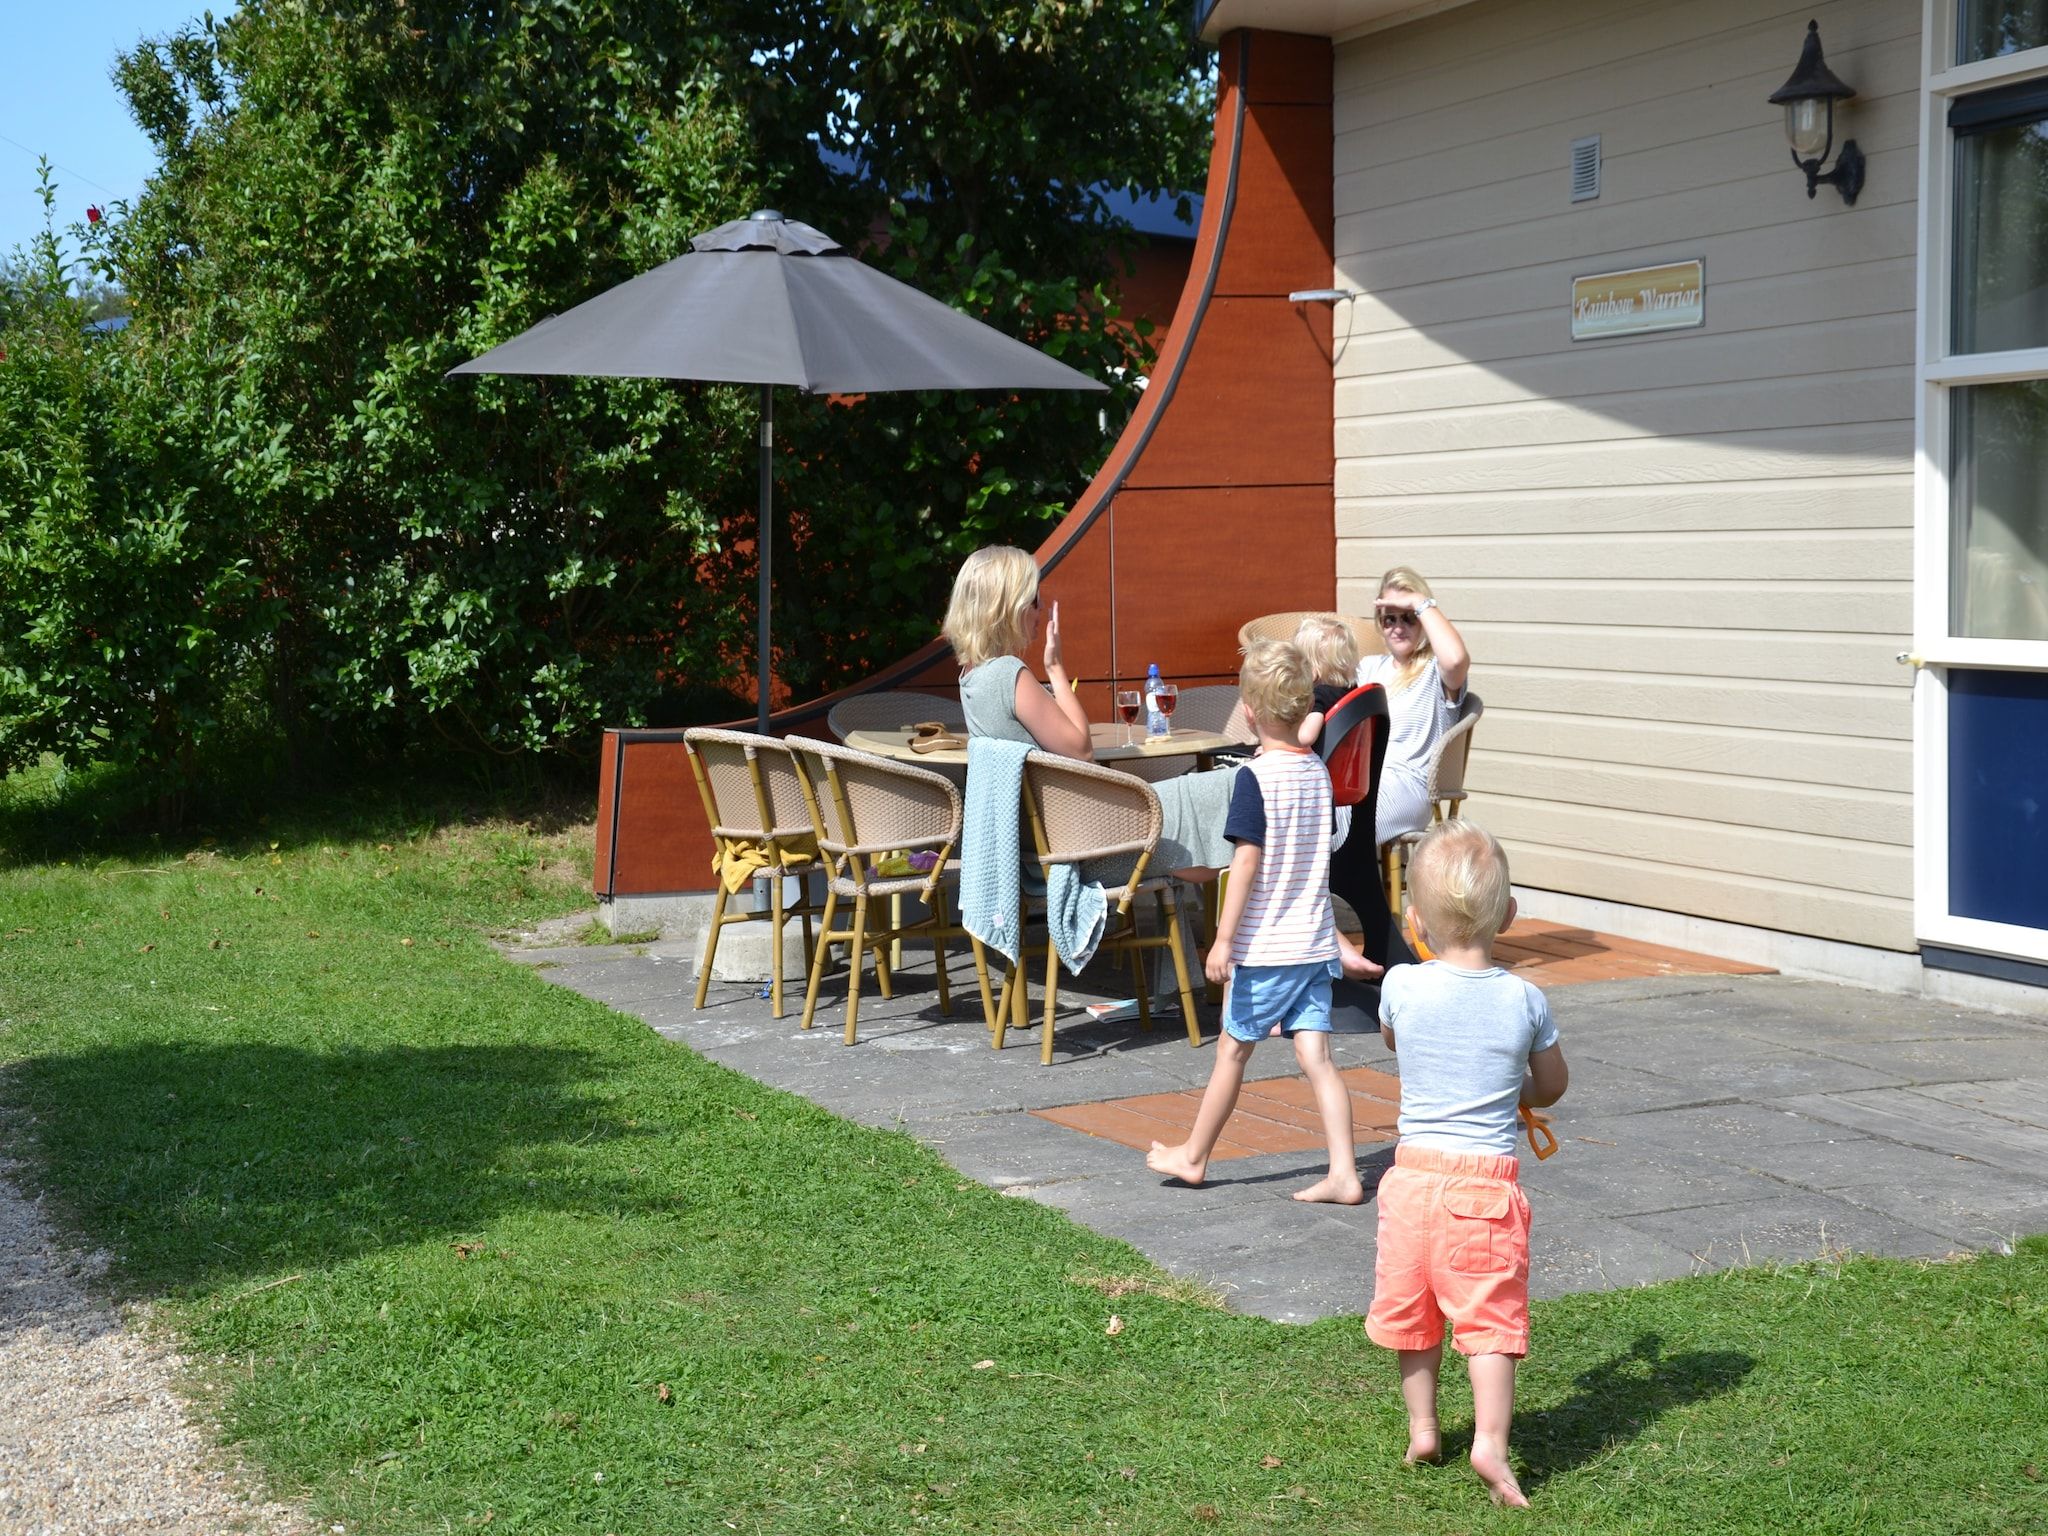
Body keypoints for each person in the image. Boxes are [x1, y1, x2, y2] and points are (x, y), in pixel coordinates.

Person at [1366, 820, 1568, 1510]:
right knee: (1489, 1321)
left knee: (1413, 1312)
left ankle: (1424, 1429)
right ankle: (1489, 1440)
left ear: (1415, 919)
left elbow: (1400, 1042)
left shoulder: (1401, 985)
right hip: (1481, 1190)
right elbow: (1551, 1085)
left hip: (1410, 1183)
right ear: (1508, 915)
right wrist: (1519, 1089)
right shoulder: (1524, 1000)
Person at [1144, 640, 1366, 1206]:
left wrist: (1222, 940)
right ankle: (1345, 1170)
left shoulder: (1254, 779)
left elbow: (1245, 863)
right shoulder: (1317, 772)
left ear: (1248, 710)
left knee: (1231, 1052)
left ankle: (1193, 1158)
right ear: (1301, 709)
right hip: (1312, 948)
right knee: (1317, 1059)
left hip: (1265, 950)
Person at [944, 545, 1238, 873]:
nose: (1039, 611)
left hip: (1035, 842)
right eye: (1033, 601)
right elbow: (1081, 750)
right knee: (1227, 785)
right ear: (1008, 607)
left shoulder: (972, 676)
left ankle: (1205, 897)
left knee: (1194, 825)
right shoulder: (1007, 674)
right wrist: (1055, 668)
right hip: (1077, 842)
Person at [1358, 567, 1470, 848]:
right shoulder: (1369, 667)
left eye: (1408, 618)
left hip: (1408, 787)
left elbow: (1457, 660)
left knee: (1339, 819)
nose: (1397, 627)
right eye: (1389, 619)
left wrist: (1421, 603)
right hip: (1364, 781)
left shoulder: (1435, 670)